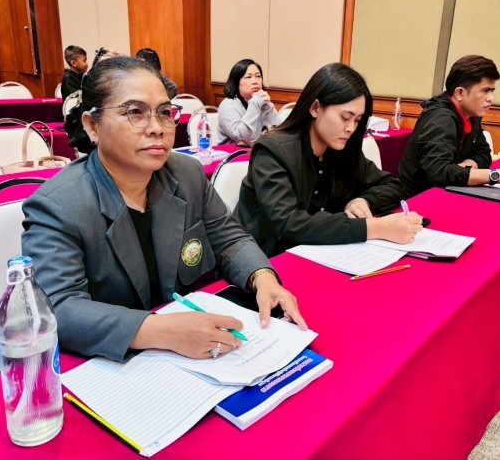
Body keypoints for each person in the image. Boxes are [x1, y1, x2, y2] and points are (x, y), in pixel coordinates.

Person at [21, 56, 307, 362]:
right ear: (92, 125)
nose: (157, 128)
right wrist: (163, 331)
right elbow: (58, 308)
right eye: (135, 112)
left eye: (164, 112)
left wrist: (262, 277)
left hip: (193, 352)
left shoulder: (187, 174)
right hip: (115, 362)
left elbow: (229, 239)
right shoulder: (58, 205)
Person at [234, 62, 422, 257]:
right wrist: (375, 228)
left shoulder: (343, 149)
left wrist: (365, 200)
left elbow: (392, 185)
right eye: (345, 117)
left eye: (357, 120)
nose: (351, 128)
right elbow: (288, 223)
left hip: (322, 253)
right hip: (267, 259)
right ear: (315, 108)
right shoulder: (273, 151)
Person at [398, 54, 500, 197]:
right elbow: (438, 173)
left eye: (492, 91)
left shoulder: (471, 115)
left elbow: (484, 155)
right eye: (485, 91)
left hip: (449, 190)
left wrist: (463, 169)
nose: (491, 98)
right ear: (460, 93)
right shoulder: (441, 119)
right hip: (418, 197)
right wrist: (496, 175)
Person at [218, 59, 280, 146]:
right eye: (248, 77)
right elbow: (242, 137)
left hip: (259, 151)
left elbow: (279, 133)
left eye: (258, 76)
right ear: (236, 82)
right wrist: (254, 104)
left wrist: (268, 107)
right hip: (233, 153)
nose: (255, 81)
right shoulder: (227, 105)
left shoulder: (262, 102)